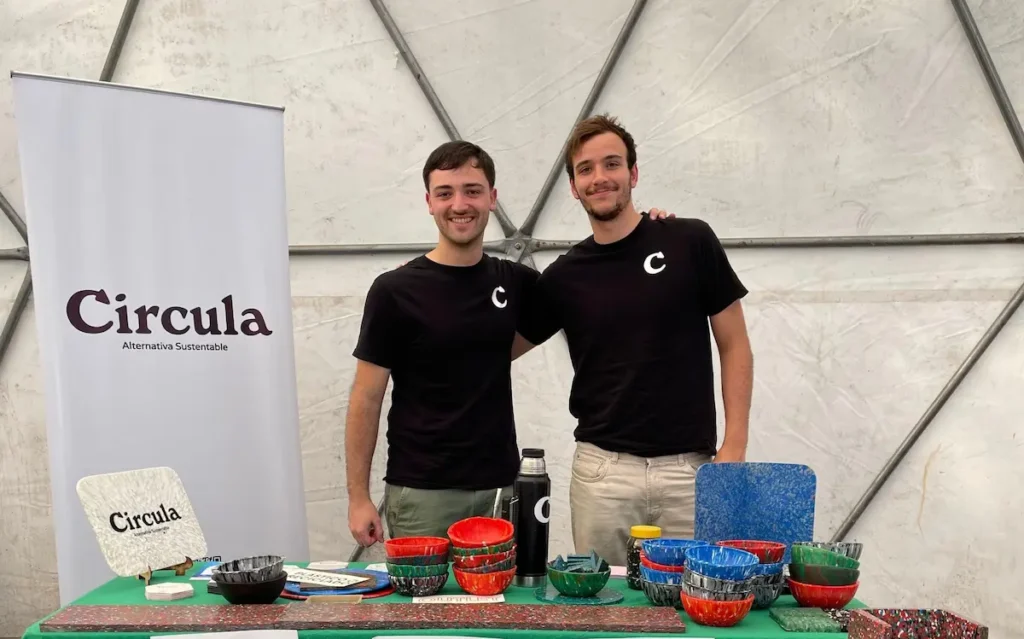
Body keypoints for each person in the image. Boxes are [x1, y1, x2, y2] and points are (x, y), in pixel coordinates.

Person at [345, 139, 678, 547]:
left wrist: (649, 232)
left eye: (472, 190)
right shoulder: (394, 290)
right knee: (427, 593)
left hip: (501, 490)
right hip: (422, 494)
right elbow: (366, 397)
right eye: (445, 193)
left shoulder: (517, 283)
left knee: (504, 592)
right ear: (429, 202)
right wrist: (358, 497)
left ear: (492, 198)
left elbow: (599, 281)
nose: (459, 204)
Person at [514, 114, 754, 566]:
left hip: (690, 472)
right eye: (585, 169)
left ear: (634, 173)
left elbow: (735, 344)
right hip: (603, 475)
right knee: (604, 602)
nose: (599, 178)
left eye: (612, 164)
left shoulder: (689, 241)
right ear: (573, 187)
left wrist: (734, 445)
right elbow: (495, 349)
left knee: (696, 598)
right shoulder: (564, 276)